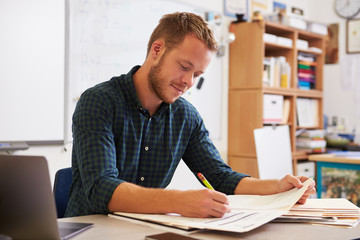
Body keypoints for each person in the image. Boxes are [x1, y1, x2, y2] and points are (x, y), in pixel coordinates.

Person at [65, 12, 315, 218]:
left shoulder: (186, 117)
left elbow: (221, 177)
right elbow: (101, 189)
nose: (188, 82)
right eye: (184, 67)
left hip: (144, 230)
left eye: (197, 75)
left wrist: (276, 187)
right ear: (157, 50)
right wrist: (180, 201)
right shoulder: (98, 102)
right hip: (90, 230)